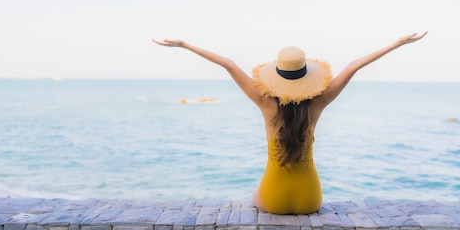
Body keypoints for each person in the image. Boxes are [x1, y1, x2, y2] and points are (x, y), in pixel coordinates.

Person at [152, 32, 427, 214]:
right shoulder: (318, 103)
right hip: (310, 200)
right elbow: (354, 65)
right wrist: (397, 44)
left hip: (273, 198)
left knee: (253, 195)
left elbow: (228, 64)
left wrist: (184, 45)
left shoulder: (265, 102)